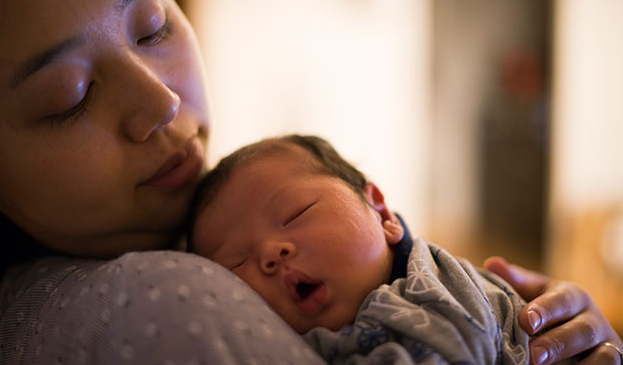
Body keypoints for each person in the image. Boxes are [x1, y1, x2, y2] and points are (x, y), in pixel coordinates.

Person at [0, 0, 623, 364]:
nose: (163, 103)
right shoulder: (141, 302)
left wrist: (576, 335)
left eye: (151, 27)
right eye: (72, 94)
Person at [188, 134, 533, 364]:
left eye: (297, 214)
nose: (270, 253)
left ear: (381, 211)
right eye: (237, 263)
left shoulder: (431, 289)